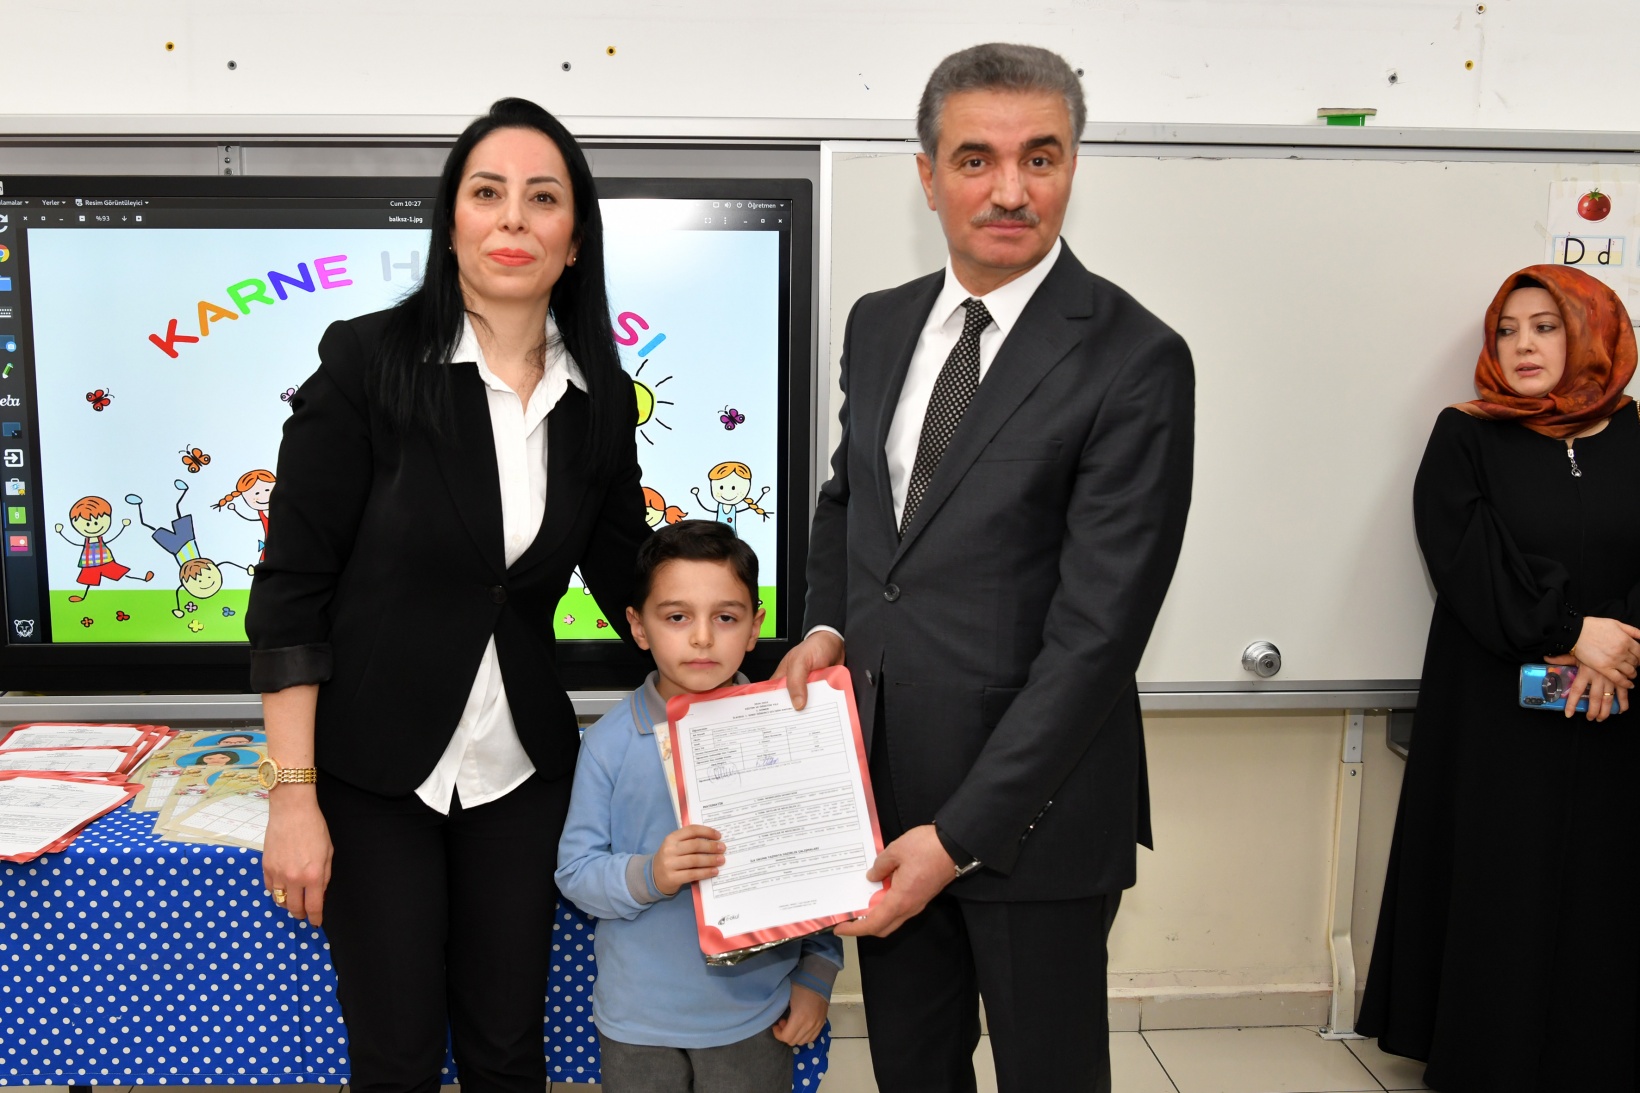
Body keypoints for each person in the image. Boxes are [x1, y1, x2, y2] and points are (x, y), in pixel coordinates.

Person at [773, 43, 1194, 1093]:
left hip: (1035, 810)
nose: (1010, 190)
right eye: (976, 159)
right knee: (914, 1069)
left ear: (1071, 166)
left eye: (1039, 158)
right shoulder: (879, 322)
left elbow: (1097, 636)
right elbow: (850, 501)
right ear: (927, 175)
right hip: (885, 786)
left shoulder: (1137, 357)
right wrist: (824, 627)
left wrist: (956, 836)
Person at [246, 98, 651, 1093]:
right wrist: (292, 795)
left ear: (573, 239)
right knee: (394, 1056)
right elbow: (292, 590)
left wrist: (760, 666)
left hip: (522, 775)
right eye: (487, 193)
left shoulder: (599, 395)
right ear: (452, 221)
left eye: (542, 198)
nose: (512, 218)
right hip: (372, 773)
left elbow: (631, 582)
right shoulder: (367, 364)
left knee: (507, 1051)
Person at [1358, 265, 1639, 1090]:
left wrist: (1622, 643)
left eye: (1546, 326)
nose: (1523, 345)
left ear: (1590, 334)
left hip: (1621, 696)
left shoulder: (1636, 432)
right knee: (1501, 876)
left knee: (1606, 875)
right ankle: (1485, 1053)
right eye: (1507, 330)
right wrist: (1573, 632)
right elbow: (1465, 554)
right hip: (1495, 701)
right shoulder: (1466, 434)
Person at [556, 520, 842, 1092]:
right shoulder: (608, 744)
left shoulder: (783, 731)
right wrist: (651, 874)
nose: (703, 639)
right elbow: (576, 874)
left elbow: (816, 862)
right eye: (677, 617)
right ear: (638, 626)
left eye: (726, 617)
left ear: (755, 626)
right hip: (637, 1023)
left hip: (756, 1014)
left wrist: (816, 973)